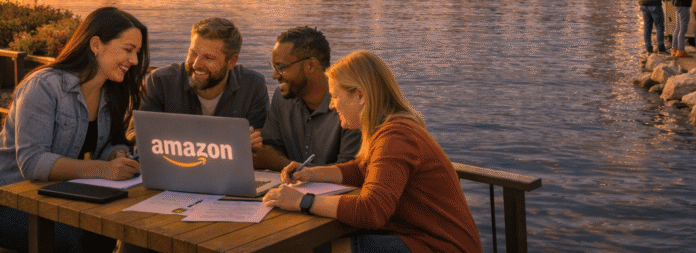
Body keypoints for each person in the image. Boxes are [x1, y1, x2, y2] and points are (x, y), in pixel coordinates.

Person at [262, 50, 482, 253]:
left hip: (440, 246)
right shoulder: (390, 130)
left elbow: (371, 211)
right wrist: (310, 173)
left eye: (336, 97)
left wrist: (302, 201)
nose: (331, 106)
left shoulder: (396, 137)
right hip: (419, 237)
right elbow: (362, 170)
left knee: (321, 249)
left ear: (360, 95)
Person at [0, 7, 148, 253]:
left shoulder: (112, 91)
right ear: (96, 44)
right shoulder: (43, 86)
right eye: (127, 50)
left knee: (107, 233)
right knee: (72, 239)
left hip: (56, 197)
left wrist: (117, 156)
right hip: (9, 198)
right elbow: (33, 162)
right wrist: (104, 169)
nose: (134, 61)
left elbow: (112, 142)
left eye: (137, 53)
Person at [252, 27, 361, 170]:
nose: (275, 76)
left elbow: (349, 172)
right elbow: (272, 147)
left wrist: (280, 164)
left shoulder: (351, 103)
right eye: (274, 67)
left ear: (311, 66)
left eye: (281, 67)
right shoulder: (282, 97)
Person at [140, 17, 267, 132]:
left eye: (208, 58)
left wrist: (256, 141)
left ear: (231, 61)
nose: (196, 64)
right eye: (193, 53)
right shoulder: (159, 81)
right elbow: (135, 132)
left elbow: (261, 135)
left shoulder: (253, 85)